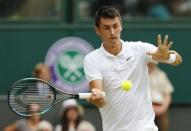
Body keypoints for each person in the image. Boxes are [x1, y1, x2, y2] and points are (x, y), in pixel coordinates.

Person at [83, 6, 182, 131]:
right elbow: (101, 99)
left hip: (146, 128)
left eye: (115, 26)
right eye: (107, 28)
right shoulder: (92, 59)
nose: (112, 32)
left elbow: (178, 60)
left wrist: (168, 56)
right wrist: (97, 99)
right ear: (97, 30)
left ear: (121, 26)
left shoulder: (140, 49)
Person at [148, 62, 174, 131]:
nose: (152, 62)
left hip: (159, 106)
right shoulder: (138, 75)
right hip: (143, 107)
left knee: (164, 122)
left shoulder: (161, 75)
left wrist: (162, 108)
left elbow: (167, 95)